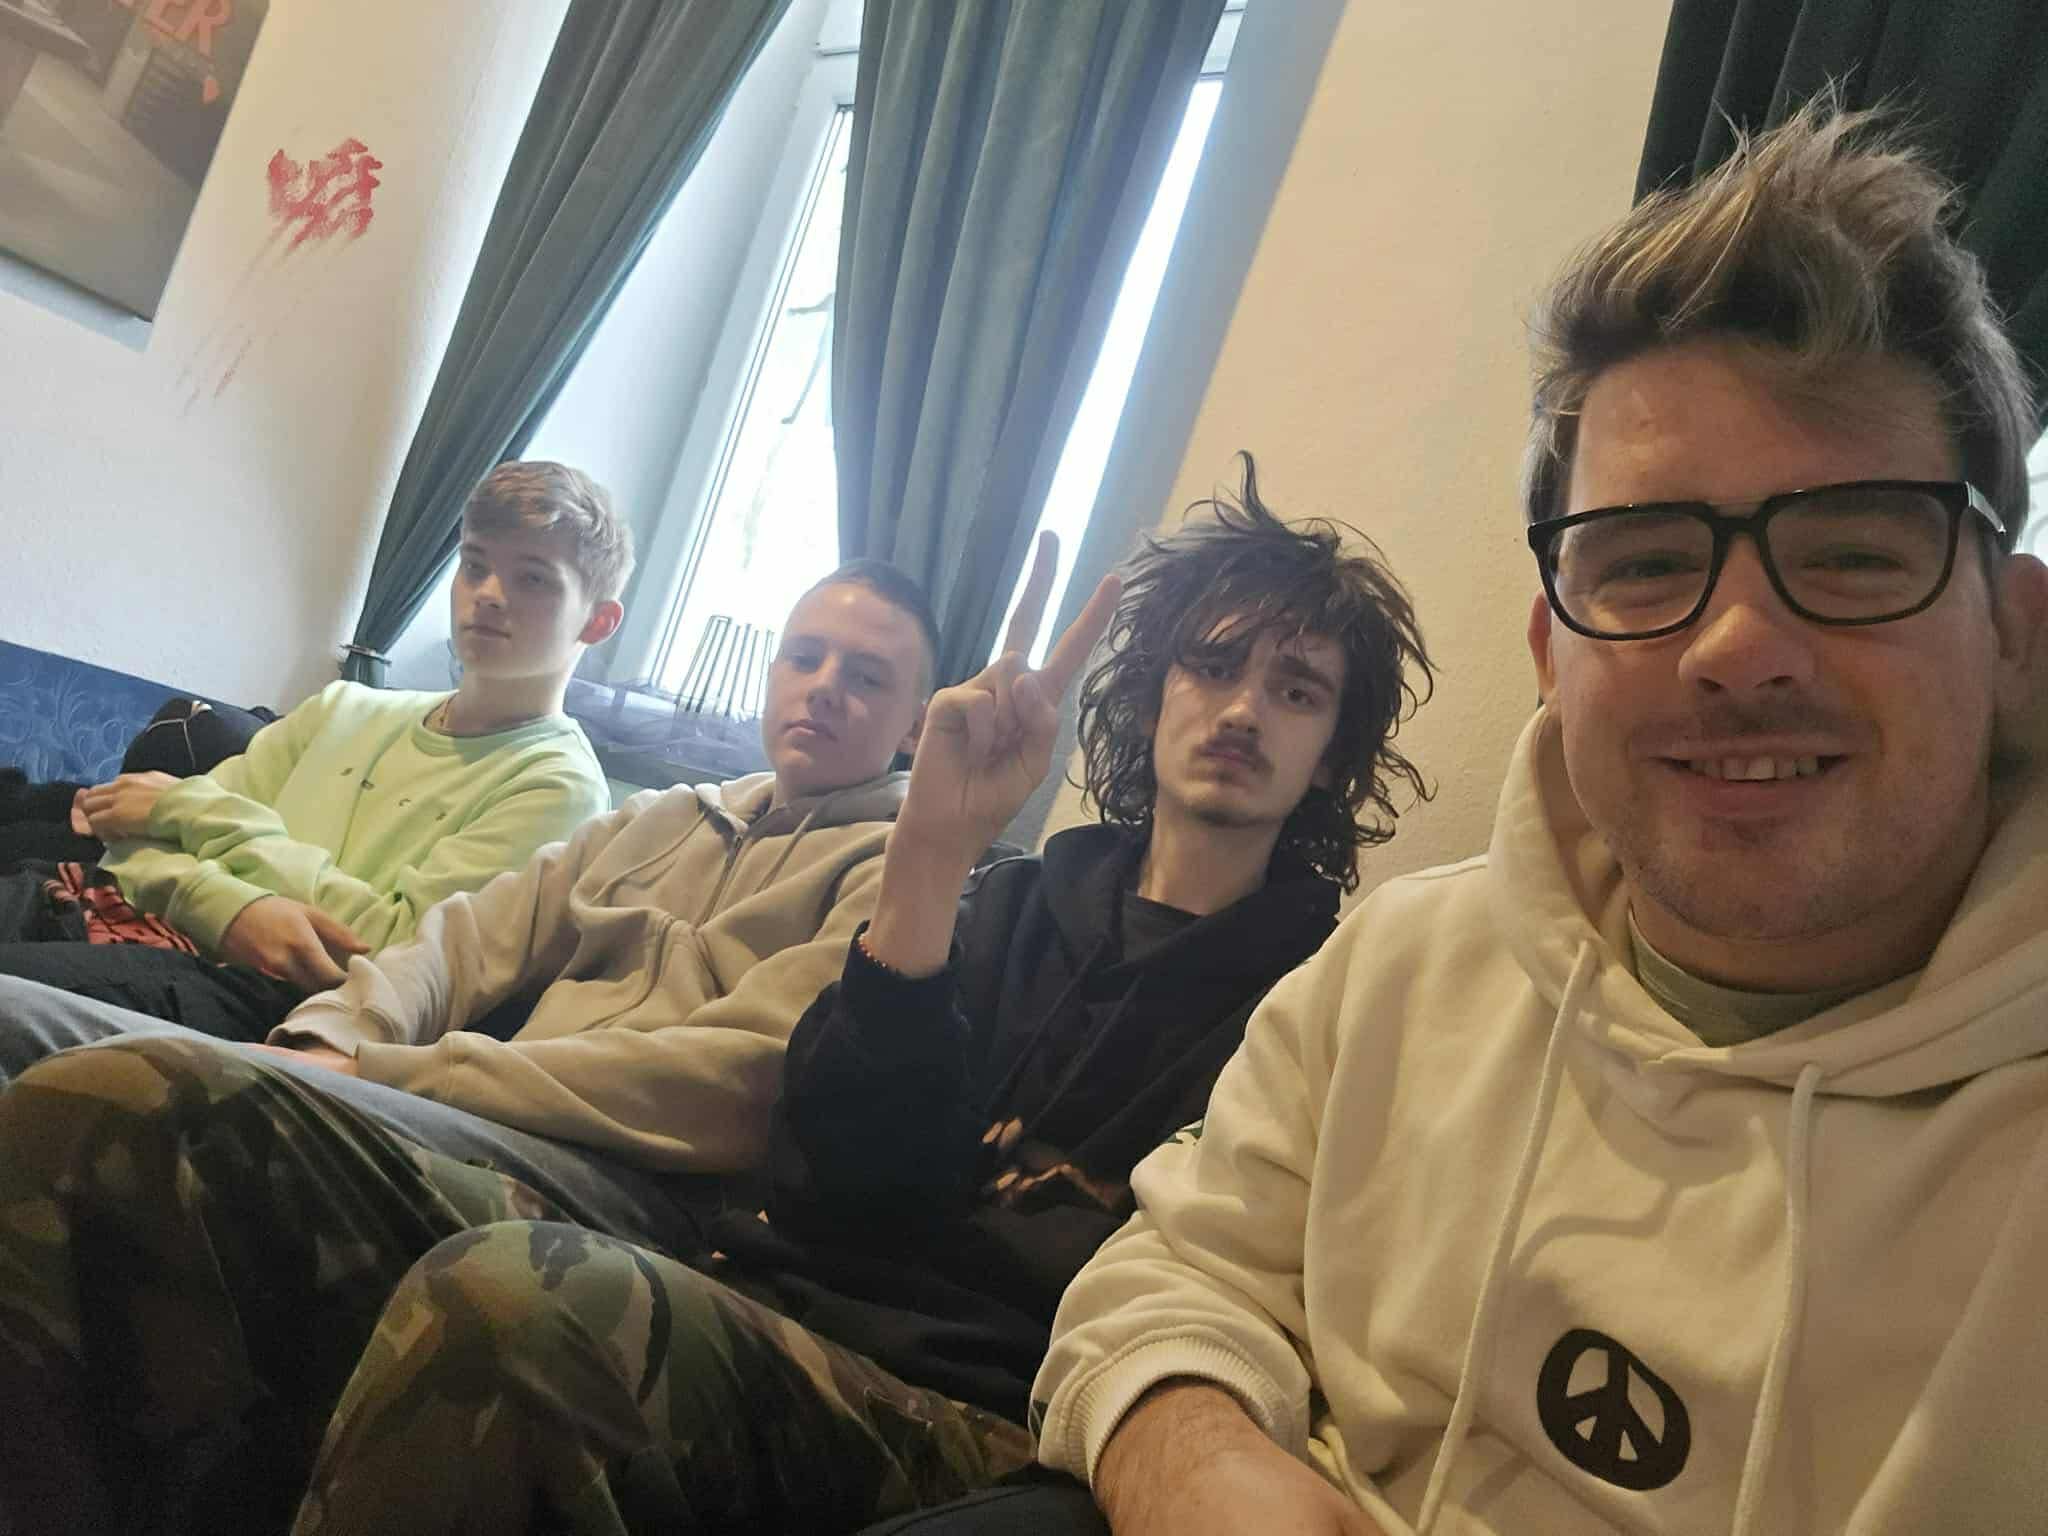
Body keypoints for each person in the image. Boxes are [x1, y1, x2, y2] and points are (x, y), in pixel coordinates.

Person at [997, 103, 2048, 1536]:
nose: (1739, 645)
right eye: (1648, 562)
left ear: (2015, 632)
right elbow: (1170, 1273)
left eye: (1854, 552)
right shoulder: (1398, 969)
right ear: (1553, 653)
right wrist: (1192, 1459)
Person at [281, 460, 1436, 1535]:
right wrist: (931, 851)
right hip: (782, 1311)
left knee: (513, 1301)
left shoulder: (1323, 1001)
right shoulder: (1007, 903)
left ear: (1332, 752)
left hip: (989, 1418)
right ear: (1149, 697)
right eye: (1212, 666)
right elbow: (822, 1174)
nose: (1241, 711)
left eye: (1294, 690)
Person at [0, 550, 946, 1533]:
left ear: (916, 722)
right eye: (804, 657)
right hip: (461, 1112)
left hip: (628, 1180)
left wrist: (387, 1071)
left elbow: (726, 1083)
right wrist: (331, 1031)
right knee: (22, 1023)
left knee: (146, 1093)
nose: (823, 687)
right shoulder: (663, 819)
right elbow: (452, 944)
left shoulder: (902, 882)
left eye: (866, 676)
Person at [0, 459, 626, 1039]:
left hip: (253, 994)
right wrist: (239, 911)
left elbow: (395, 954)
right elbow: (135, 842)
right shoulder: (345, 708)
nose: (487, 592)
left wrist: (190, 811)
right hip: (105, 901)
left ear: (597, 621)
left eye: (533, 579)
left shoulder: (558, 787)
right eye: (474, 564)